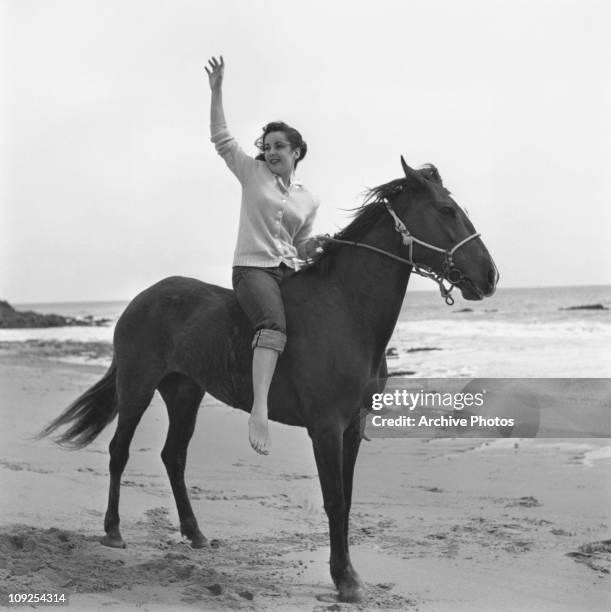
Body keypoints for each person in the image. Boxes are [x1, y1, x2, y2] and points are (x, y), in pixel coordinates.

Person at [205, 56, 322, 455]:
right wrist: (217, 90)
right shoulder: (251, 172)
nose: (270, 152)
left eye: (278, 147)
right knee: (273, 323)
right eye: (266, 146)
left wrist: (315, 247)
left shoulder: (308, 198)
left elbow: (301, 244)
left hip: (288, 270)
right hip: (253, 270)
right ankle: (260, 408)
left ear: (296, 151)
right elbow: (221, 138)